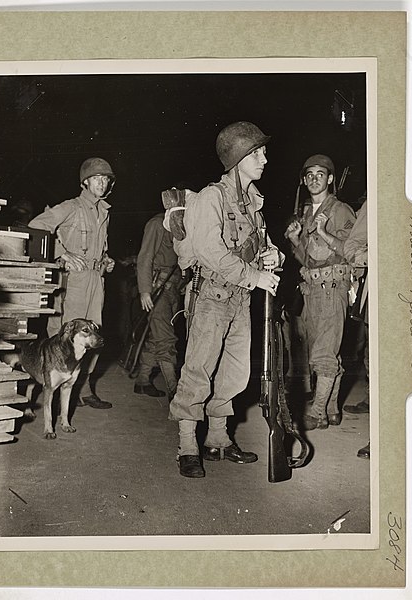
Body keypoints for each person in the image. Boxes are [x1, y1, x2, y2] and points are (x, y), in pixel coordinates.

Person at [169, 121, 282, 478]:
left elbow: (261, 245)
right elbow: (208, 251)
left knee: (235, 372)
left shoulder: (252, 205)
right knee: (199, 369)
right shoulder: (211, 197)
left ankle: (217, 437)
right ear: (239, 158)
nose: (265, 158)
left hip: (240, 299)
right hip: (211, 297)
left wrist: (273, 256)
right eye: (257, 152)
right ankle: (187, 444)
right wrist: (254, 275)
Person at [28, 157, 116, 409]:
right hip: (72, 283)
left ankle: (83, 388)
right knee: (63, 336)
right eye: (97, 178)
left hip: (95, 282)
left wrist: (106, 260)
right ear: (85, 182)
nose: (102, 182)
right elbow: (36, 226)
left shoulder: (103, 212)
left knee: (93, 336)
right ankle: (52, 386)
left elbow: (100, 248)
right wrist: (61, 252)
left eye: (106, 179)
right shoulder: (71, 207)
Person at [285, 154, 356, 430]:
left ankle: (316, 413)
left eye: (320, 174)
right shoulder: (306, 214)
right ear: (304, 180)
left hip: (332, 288)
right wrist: (294, 240)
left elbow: (355, 250)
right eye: (310, 175)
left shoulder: (340, 210)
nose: (315, 179)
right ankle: (332, 409)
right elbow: (308, 259)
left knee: (323, 354)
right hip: (311, 290)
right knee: (324, 350)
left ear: (330, 179)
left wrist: (325, 233)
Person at [133, 212, 182, 400]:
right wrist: (145, 291)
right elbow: (145, 257)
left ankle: (142, 381)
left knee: (157, 336)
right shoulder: (157, 223)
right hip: (157, 289)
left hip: (172, 289)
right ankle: (174, 389)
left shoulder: (181, 224)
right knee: (165, 339)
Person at [343, 198, 370, 459]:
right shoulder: (375, 200)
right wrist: (369, 255)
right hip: (385, 289)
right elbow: (352, 244)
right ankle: (384, 436)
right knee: (381, 364)